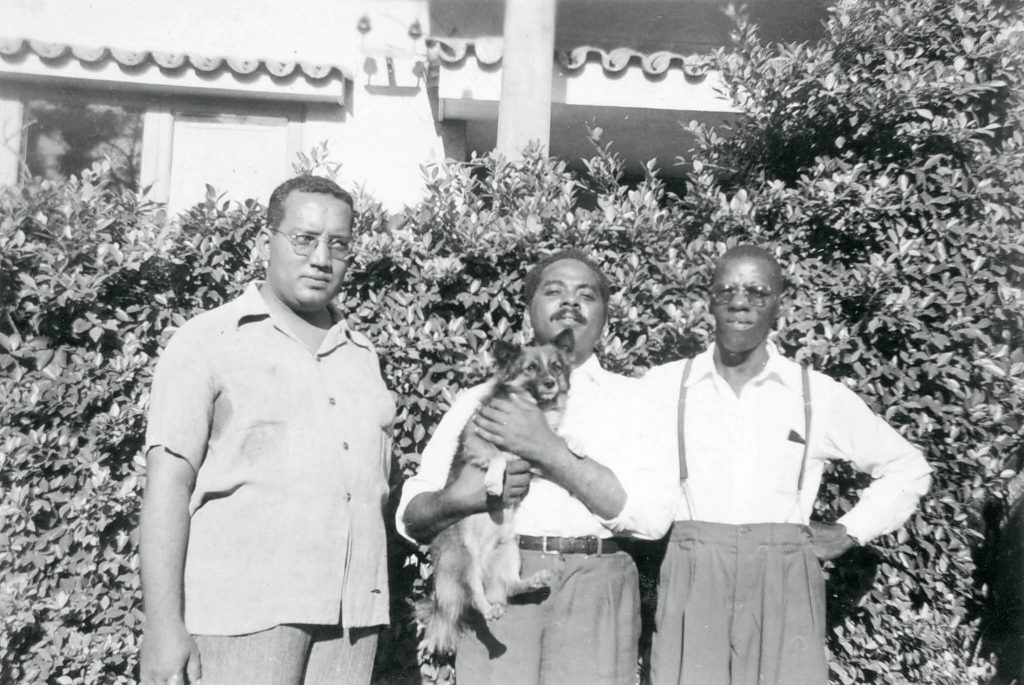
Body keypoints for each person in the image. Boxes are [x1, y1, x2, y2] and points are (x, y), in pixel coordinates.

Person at [138, 176, 396, 685]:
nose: (321, 258)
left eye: (337, 244)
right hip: (242, 617)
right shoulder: (207, 342)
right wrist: (163, 624)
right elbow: (167, 485)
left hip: (351, 622)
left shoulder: (363, 357)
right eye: (304, 238)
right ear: (266, 242)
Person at [643, 244, 932, 685]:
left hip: (783, 578)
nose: (740, 302)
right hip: (693, 571)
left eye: (758, 292)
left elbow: (907, 467)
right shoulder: (665, 386)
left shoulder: (814, 393)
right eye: (727, 290)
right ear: (709, 300)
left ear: (780, 302)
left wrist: (850, 529)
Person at [397, 249, 678, 685]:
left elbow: (654, 519)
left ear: (605, 317)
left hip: (598, 587)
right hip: (503, 580)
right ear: (530, 311)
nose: (570, 302)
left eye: (586, 294)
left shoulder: (637, 401)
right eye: (554, 291)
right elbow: (411, 513)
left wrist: (546, 448)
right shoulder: (479, 399)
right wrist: (461, 497)